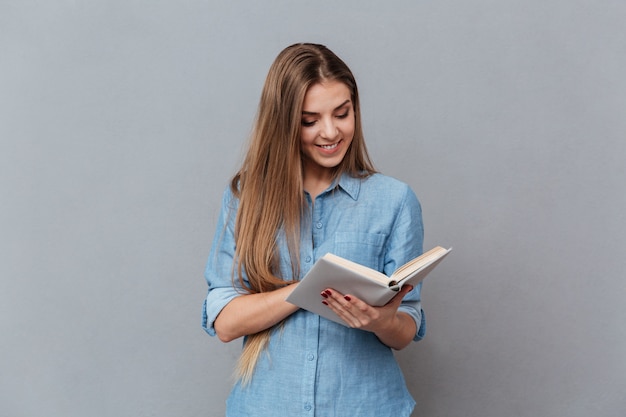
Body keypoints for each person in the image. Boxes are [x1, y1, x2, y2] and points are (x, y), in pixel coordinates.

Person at [202, 43, 426, 416]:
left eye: (342, 113)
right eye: (310, 120)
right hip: (266, 406)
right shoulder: (245, 199)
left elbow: (408, 326)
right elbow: (225, 321)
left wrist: (383, 321)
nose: (330, 132)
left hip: (364, 406)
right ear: (284, 123)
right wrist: (304, 291)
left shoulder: (395, 200)